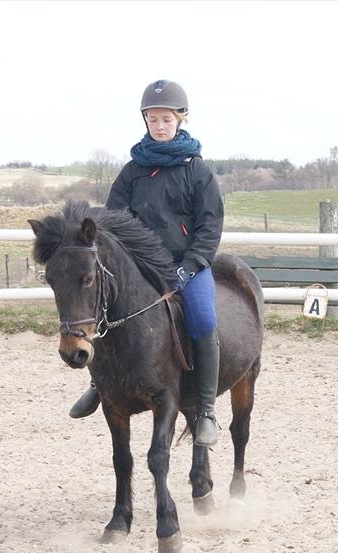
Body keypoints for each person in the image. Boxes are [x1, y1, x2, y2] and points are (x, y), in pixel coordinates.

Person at [68, 79, 225, 448]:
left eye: (166, 119)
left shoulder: (197, 170)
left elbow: (210, 223)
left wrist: (193, 263)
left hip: (186, 263)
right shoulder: (132, 171)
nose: (159, 126)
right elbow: (111, 220)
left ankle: (204, 410)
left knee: (203, 318)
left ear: (180, 120)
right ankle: (99, 384)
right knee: (105, 310)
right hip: (139, 266)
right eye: (153, 119)